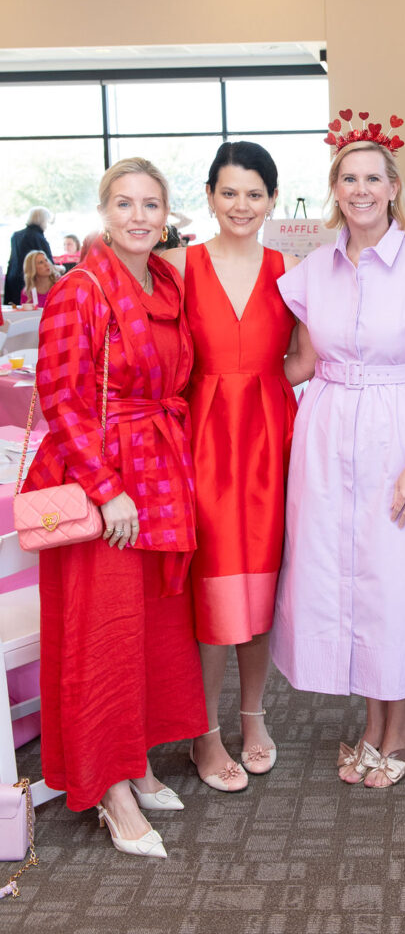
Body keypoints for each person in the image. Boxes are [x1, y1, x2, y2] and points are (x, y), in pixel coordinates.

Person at [271, 113, 405, 787]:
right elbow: (299, 363)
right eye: (347, 178)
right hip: (330, 435)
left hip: (403, 432)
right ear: (335, 189)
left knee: (397, 581)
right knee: (346, 580)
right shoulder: (311, 273)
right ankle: (370, 723)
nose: (360, 190)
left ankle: (402, 725)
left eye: (372, 178)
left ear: (393, 187)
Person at [23, 158, 207, 856]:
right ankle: (109, 788)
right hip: (105, 478)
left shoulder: (163, 281)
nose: (139, 216)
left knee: (151, 629)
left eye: (151, 204)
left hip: (156, 464)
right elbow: (62, 398)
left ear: (167, 215)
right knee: (104, 633)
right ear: (104, 211)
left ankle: (135, 759)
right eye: (125, 203)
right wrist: (107, 489)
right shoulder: (81, 287)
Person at [163, 141, 297, 793]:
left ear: (272, 199)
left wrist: (264, 383)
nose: (241, 205)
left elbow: (308, 356)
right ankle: (203, 732)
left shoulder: (290, 267)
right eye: (228, 192)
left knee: (262, 580)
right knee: (213, 582)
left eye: (254, 193)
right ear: (210, 197)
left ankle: (253, 715)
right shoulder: (178, 267)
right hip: (203, 439)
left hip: (271, 435)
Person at [4, 206, 54, 304]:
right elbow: (49, 263)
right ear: (43, 220)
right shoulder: (38, 238)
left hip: (13, 280)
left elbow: (12, 261)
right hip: (32, 282)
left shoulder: (16, 236)